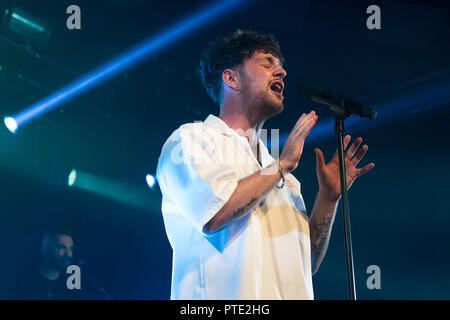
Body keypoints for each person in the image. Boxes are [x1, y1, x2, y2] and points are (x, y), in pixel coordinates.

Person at [156, 29, 374, 299]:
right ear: (231, 78)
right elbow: (214, 214)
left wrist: (328, 199)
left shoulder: (286, 179)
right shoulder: (191, 140)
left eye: (281, 65)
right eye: (267, 62)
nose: (281, 71)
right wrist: (281, 165)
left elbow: (306, 264)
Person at [7, 228, 111, 299]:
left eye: (71, 248)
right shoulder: (24, 280)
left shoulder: (74, 280)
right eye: (61, 248)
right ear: (45, 249)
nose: (68, 254)